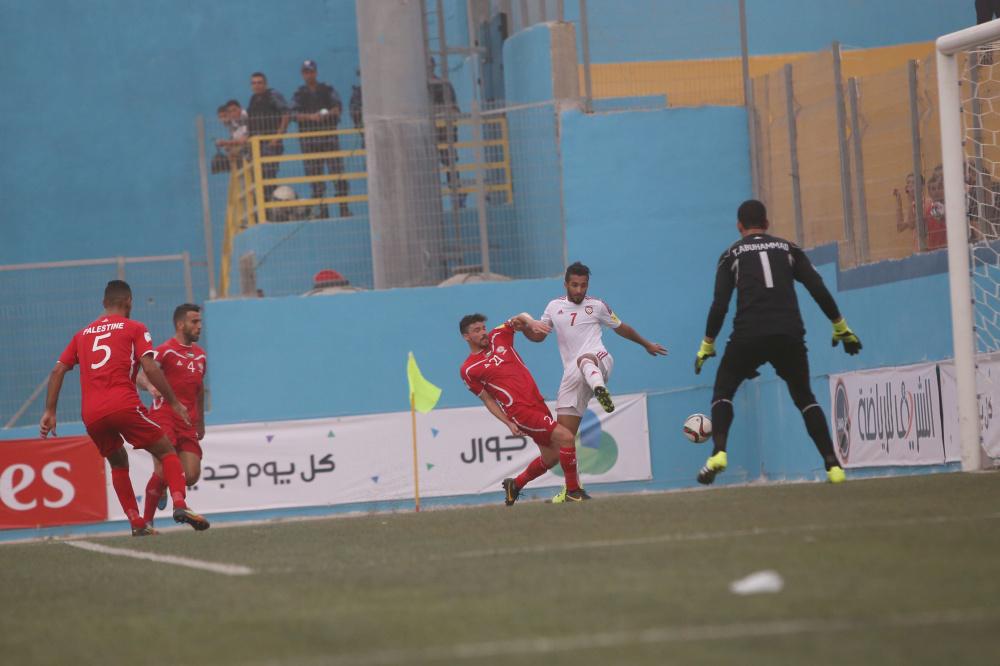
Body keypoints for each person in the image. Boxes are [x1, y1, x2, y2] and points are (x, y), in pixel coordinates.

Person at [693, 200, 861, 486]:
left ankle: (719, 452)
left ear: (739, 226)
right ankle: (833, 466)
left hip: (748, 334)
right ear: (767, 224)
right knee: (805, 398)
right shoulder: (788, 249)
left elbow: (720, 304)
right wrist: (840, 326)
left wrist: (707, 344)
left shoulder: (730, 255)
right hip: (789, 334)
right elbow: (816, 286)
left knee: (723, 390)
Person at [38, 280, 210, 535]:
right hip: (123, 404)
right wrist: (174, 402)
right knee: (166, 451)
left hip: (92, 414)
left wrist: (50, 411)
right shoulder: (135, 328)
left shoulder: (82, 334)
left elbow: (58, 370)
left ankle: (137, 523)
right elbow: (149, 367)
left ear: (104, 303)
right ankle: (180, 504)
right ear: (129, 301)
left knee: (118, 462)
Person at [524, 262, 668, 502]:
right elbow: (539, 336)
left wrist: (646, 344)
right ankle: (572, 490)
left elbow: (622, 328)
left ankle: (599, 387)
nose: (579, 290)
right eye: (575, 285)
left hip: (599, 359)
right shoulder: (554, 307)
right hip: (572, 377)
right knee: (563, 440)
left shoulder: (597, 306)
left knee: (585, 359)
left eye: (583, 285)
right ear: (566, 284)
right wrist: (525, 329)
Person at [460, 313, 591, 504]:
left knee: (552, 457)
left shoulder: (498, 336)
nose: (483, 333)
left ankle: (515, 484)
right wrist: (508, 423)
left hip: (537, 402)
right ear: (466, 336)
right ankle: (573, 491)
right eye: (476, 330)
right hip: (520, 412)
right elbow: (488, 400)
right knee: (566, 438)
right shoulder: (468, 369)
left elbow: (519, 317)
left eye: (483, 328)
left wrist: (531, 322)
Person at [138, 304, 207, 527]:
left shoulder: (201, 355)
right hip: (163, 414)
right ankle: (147, 523)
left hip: (187, 420)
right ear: (180, 324)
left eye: (200, 321)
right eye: (194, 321)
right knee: (163, 465)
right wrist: (150, 385)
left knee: (191, 475)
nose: (199, 326)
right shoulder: (165, 350)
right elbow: (141, 374)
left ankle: (165, 486)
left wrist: (200, 423)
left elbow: (199, 391)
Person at [293, 59, 350, 219]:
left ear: (316, 72)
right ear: (302, 74)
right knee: (315, 178)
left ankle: (344, 208)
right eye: (306, 72)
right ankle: (322, 211)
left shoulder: (327, 89)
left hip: (328, 138)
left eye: (311, 71)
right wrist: (311, 117)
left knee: (338, 174)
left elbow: (338, 108)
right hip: (309, 141)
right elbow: (293, 114)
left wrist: (327, 114)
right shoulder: (299, 94)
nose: (309, 74)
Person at [248, 71, 290, 209]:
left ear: (265, 84)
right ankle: (265, 209)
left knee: (268, 175)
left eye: (259, 82)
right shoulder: (253, 100)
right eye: (254, 83)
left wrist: (278, 137)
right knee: (257, 178)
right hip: (256, 146)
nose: (256, 85)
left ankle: (272, 208)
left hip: (270, 145)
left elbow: (286, 114)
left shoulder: (273, 95)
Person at [429, 58, 465, 208]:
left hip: (443, 133)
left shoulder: (443, 85)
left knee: (449, 163)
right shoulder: (418, 89)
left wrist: (438, 113)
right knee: (427, 166)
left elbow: (453, 109)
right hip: (427, 134)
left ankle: (457, 195)